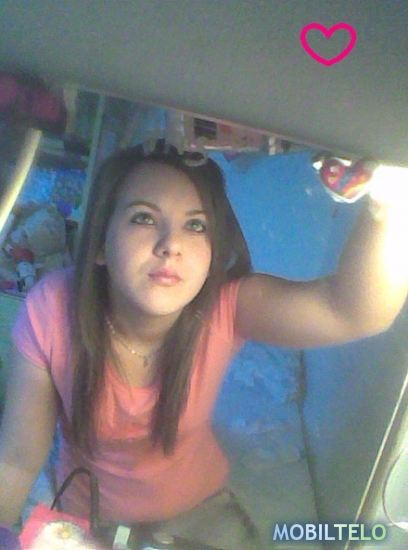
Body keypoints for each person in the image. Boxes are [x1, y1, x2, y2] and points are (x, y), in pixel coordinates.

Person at [0, 140, 407, 549]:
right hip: (84, 518)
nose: (170, 245)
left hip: (197, 515)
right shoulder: (54, 307)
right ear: (101, 244)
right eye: (143, 218)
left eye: (195, 226)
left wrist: (388, 201)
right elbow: (16, 459)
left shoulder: (224, 305)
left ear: (213, 251)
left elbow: (356, 311)